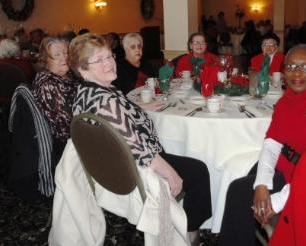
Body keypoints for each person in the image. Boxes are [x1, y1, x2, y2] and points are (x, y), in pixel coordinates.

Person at [68, 33, 212, 245]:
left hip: (109, 163)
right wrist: (171, 174)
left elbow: (115, 114)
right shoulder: (105, 103)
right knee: (198, 170)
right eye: (99, 60)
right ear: (82, 69)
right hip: (131, 170)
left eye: (109, 56)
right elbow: (139, 150)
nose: (109, 63)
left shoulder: (87, 91)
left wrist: (136, 107)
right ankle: (190, 233)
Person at [218, 44, 306, 246]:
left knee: (242, 197)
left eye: (305, 67)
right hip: (289, 172)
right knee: (240, 188)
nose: (296, 73)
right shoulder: (286, 100)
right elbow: (272, 142)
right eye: (290, 66)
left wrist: (277, 200)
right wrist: (262, 185)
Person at [31, 36, 76, 163]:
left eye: (66, 52)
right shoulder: (48, 84)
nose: (64, 57)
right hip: (66, 146)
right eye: (57, 55)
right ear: (46, 60)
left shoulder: (69, 75)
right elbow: (65, 125)